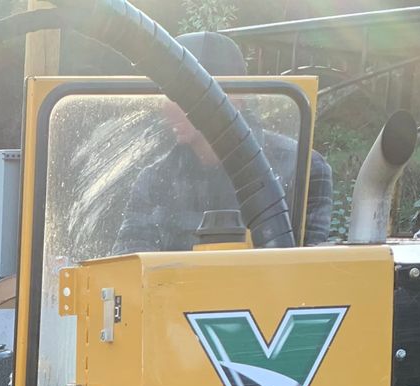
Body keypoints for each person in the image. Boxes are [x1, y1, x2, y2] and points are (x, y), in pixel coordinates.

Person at [114, 32, 335, 254]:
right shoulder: (154, 180)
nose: (167, 106)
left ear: (236, 99)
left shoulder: (302, 168)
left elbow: (306, 273)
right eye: (166, 94)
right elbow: (129, 265)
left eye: (183, 93)